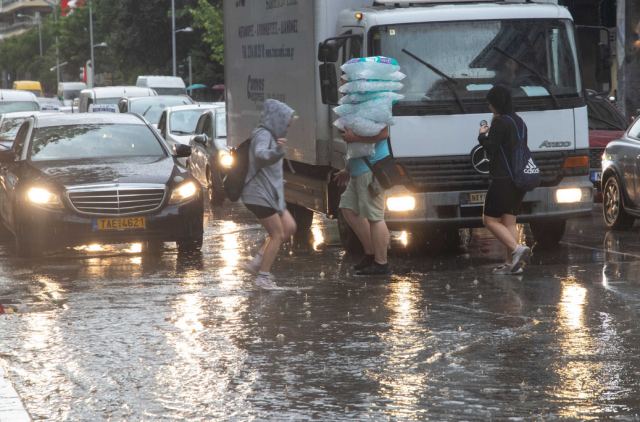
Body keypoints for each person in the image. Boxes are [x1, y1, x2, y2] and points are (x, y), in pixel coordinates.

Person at [241, 99, 297, 289]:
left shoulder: (271, 135)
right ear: (277, 120)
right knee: (277, 234)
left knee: (289, 227)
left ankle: (258, 261)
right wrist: (277, 151)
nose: (287, 128)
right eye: (286, 124)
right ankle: (262, 277)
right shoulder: (263, 134)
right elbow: (260, 155)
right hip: (258, 194)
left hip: (271, 195)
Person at [478, 85, 531, 275]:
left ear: (495, 104)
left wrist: (482, 135)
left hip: (502, 178)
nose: (489, 107)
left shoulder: (500, 123)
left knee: (489, 220)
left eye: (490, 104)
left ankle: (517, 250)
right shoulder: (519, 121)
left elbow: (491, 148)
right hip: (519, 178)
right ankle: (512, 265)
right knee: (509, 221)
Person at [334, 127, 391, 276]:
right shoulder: (359, 107)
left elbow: (384, 133)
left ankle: (381, 263)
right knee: (348, 208)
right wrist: (347, 169)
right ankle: (371, 254)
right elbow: (356, 148)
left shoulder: (376, 105)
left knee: (375, 217)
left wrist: (355, 137)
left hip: (370, 170)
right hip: (357, 170)